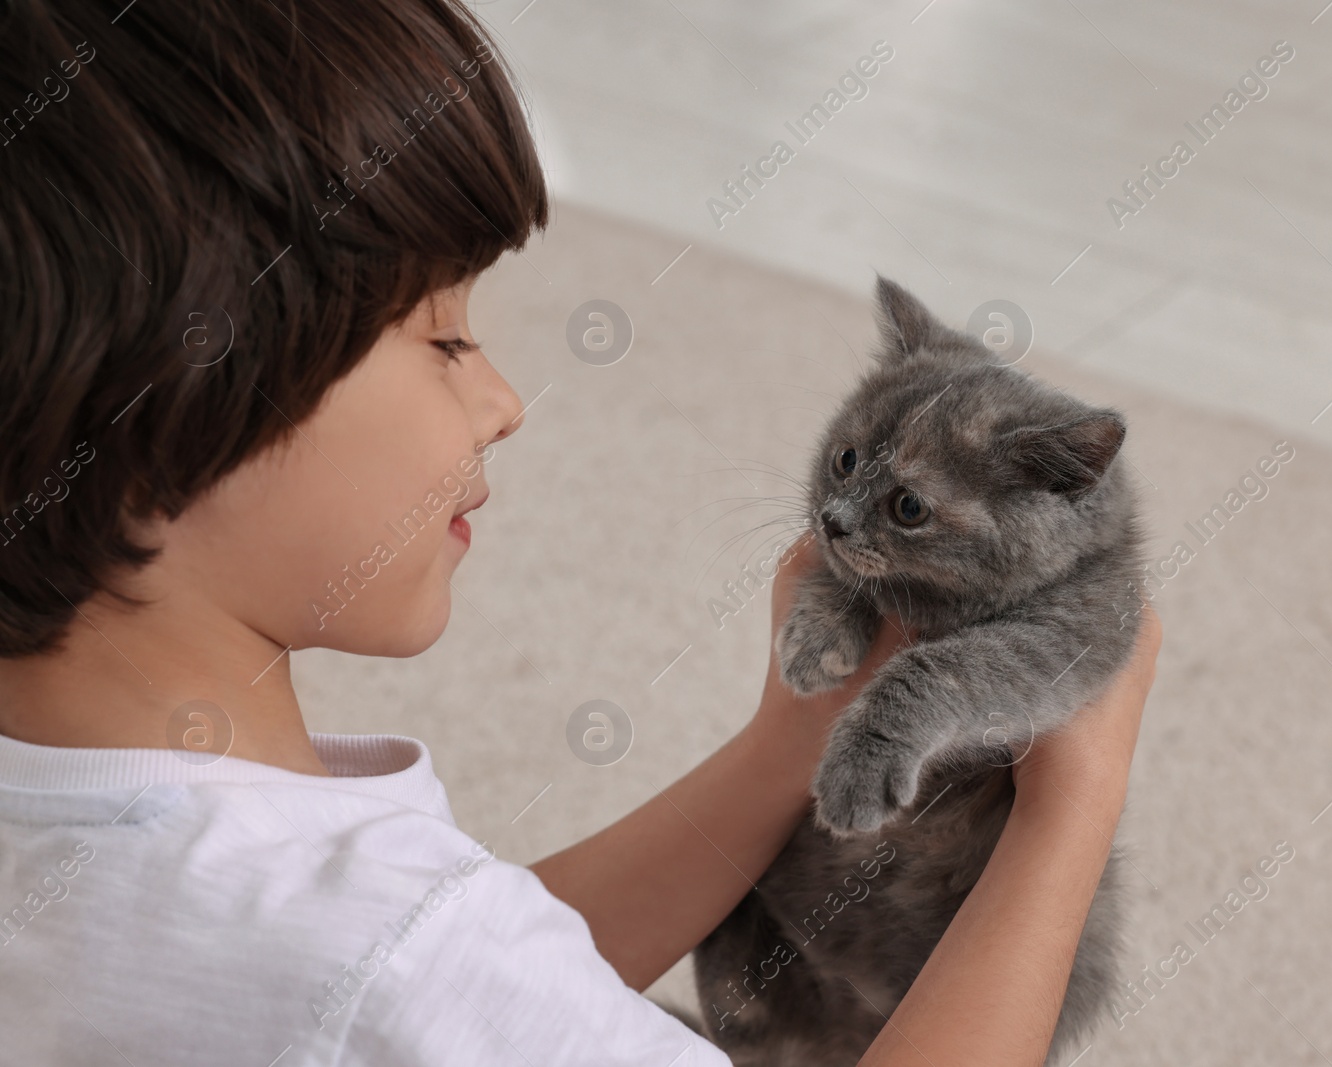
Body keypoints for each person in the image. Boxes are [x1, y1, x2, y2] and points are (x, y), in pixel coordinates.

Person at [0, 1, 1162, 1063]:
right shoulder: (389, 949)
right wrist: (1073, 806)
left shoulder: (234, 881)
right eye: (443, 340)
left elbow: (477, 986)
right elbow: (428, 974)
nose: (503, 399)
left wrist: (783, 748)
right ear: (166, 426)